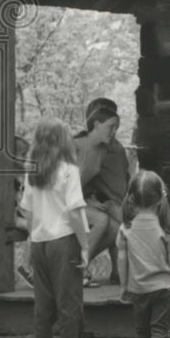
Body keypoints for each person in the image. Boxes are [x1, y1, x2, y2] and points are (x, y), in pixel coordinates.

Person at [20, 118, 92, 338]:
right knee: (69, 306)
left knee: (43, 308)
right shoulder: (68, 170)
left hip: (40, 242)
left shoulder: (33, 172)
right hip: (64, 241)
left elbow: (26, 212)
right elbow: (74, 212)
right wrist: (85, 246)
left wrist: (31, 240)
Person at [117, 170, 170, 338]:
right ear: (161, 197)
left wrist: (124, 285)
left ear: (132, 198)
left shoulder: (125, 228)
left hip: (138, 288)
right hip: (163, 287)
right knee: (158, 331)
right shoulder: (166, 228)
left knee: (141, 332)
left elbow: (122, 259)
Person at [73, 98, 129, 287]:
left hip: (105, 200)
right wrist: (88, 199)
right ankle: (76, 269)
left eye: (116, 126)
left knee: (116, 226)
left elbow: (122, 176)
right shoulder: (77, 145)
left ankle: (112, 270)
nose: (113, 131)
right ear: (95, 122)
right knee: (106, 220)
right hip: (61, 203)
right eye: (111, 126)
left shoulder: (109, 149)